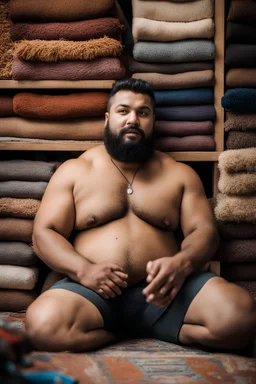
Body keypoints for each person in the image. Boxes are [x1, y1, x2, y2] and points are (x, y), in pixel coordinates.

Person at [26, 78, 256, 352]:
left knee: (241, 318)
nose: (132, 119)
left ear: (152, 120)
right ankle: (119, 330)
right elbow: (44, 233)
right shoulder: (75, 170)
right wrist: (83, 270)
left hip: (169, 291)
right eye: (124, 111)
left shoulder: (178, 174)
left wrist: (182, 264)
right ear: (108, 118)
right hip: (93, 291)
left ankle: (156, 326)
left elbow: (205, 232)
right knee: (42, 328)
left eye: (142, 112)